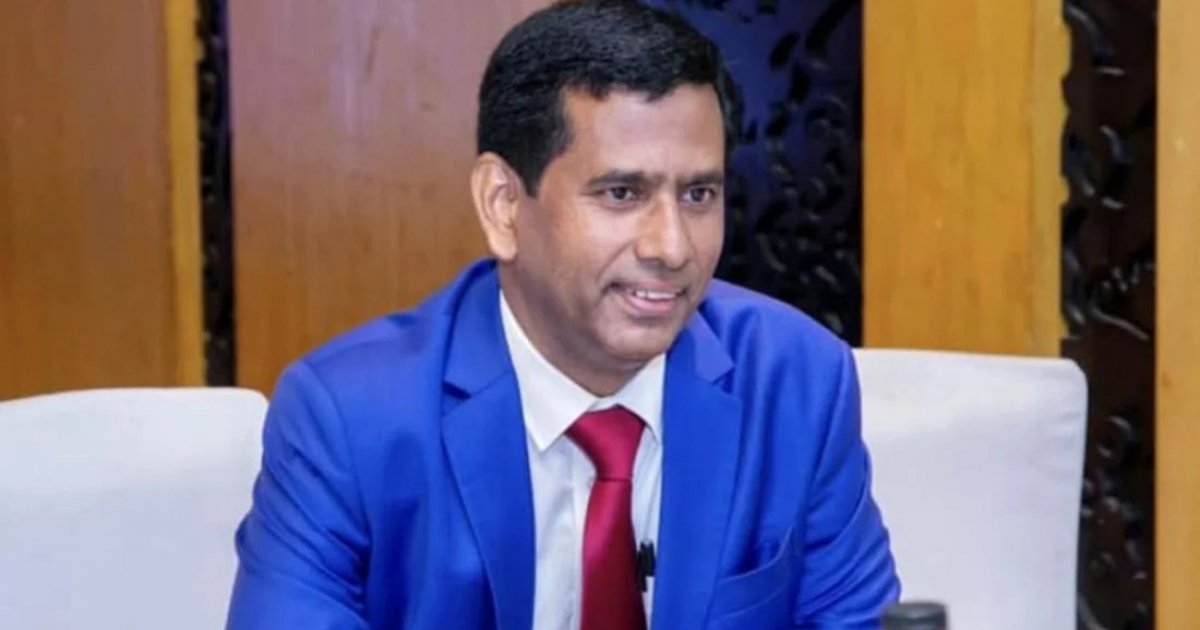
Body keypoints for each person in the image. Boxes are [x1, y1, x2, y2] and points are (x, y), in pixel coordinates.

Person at [226, 1, 899, 628]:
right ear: (502, 205)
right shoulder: (350, 420)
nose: (672, 247)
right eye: (621, 193)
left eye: (698, 194)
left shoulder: (796, 384)